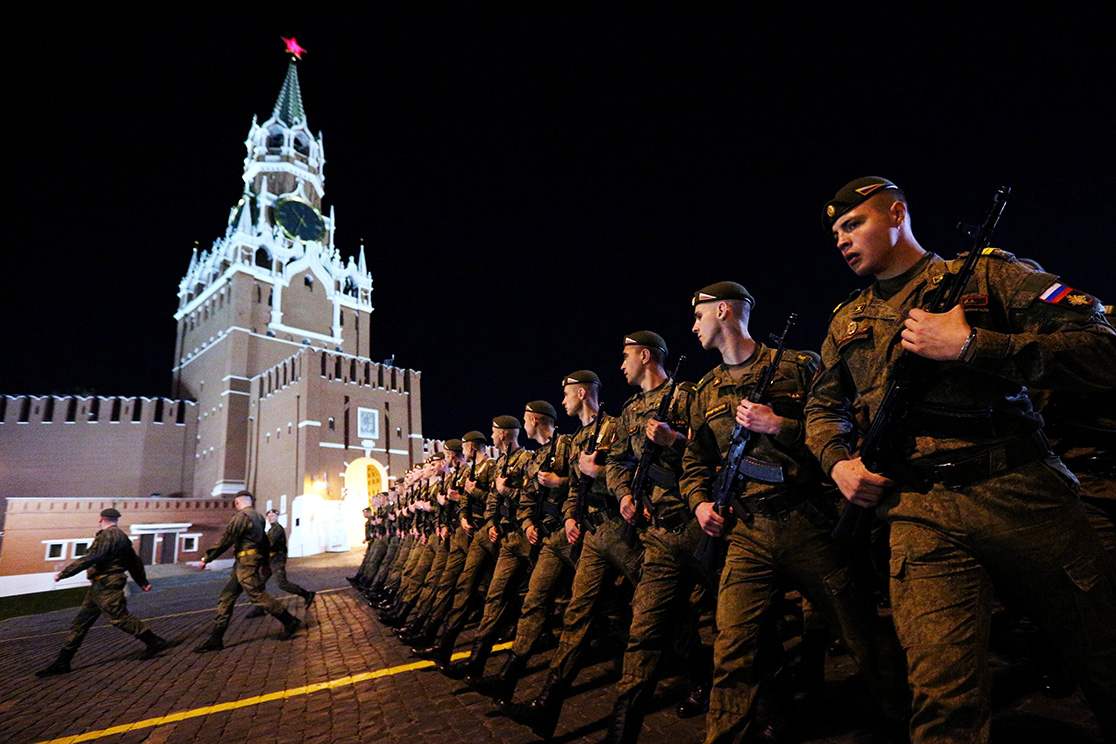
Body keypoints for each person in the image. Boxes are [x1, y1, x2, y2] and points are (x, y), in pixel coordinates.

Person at [805, 176, 1116, 742]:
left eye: (854, 224)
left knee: (1104, 655)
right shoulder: (844, 320)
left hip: (1022, 493)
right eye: (835, 233)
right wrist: (837, 463)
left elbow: (1103, 349)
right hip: (920, 513)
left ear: (897, 213)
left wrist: (975, 347)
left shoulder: (990, 276)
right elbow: (823, 410)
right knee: (942, 705)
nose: (842, 240)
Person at [682, 281, 903, 742]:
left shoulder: (798, 366)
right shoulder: (705, 392)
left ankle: (908, 722)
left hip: (808, 522)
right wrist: (700, 502)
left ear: (723, 310)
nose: (694, 326)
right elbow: (693, 463)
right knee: (732, 652)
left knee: (860, 634)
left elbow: (845, 428)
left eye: (699, 315)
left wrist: (779, 425)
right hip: (745, 531)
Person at [36, 508, 169, 677]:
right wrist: (142, 582)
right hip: (99, 586)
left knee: (119, 618)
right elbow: (134, 562)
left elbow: (92, 558)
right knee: (81, 623)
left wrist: (64, 573)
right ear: (116, 519)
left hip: (107, 584)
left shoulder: (108, 536)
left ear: (101, 519)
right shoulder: (122, 537)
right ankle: (63, 661)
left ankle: (154, 641)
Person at [193, 490, 302, 652]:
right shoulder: (258, 517)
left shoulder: (241, 517)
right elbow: (265, 542)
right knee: (227, 597)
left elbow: (226, 539)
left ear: (237, 503)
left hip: (245, 564)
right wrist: (264, 562)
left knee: (257, 594)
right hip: (247, 563)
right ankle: (216, 638)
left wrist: (206, 558)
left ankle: (289, 621)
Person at [245, 509, 315, 617]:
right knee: (259, 584)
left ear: (277, 517)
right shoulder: (271, 530)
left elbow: (269, 544)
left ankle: (307, 594)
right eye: (269, 516)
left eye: (273, 515)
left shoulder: (277, 529)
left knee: (282, 583)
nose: (271, 517)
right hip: (270, 561)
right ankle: (260, 607)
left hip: (277, 560)